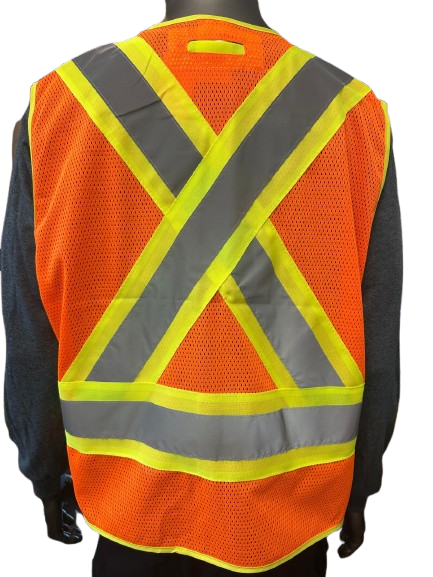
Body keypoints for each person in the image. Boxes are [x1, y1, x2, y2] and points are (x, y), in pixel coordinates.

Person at [1, 1, 403, 575]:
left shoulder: (60, 105)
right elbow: (380, 326)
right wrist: (363, 486)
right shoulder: (355, 114)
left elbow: (29, 328)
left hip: (127, 512)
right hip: (295, 518)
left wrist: (45, 474)